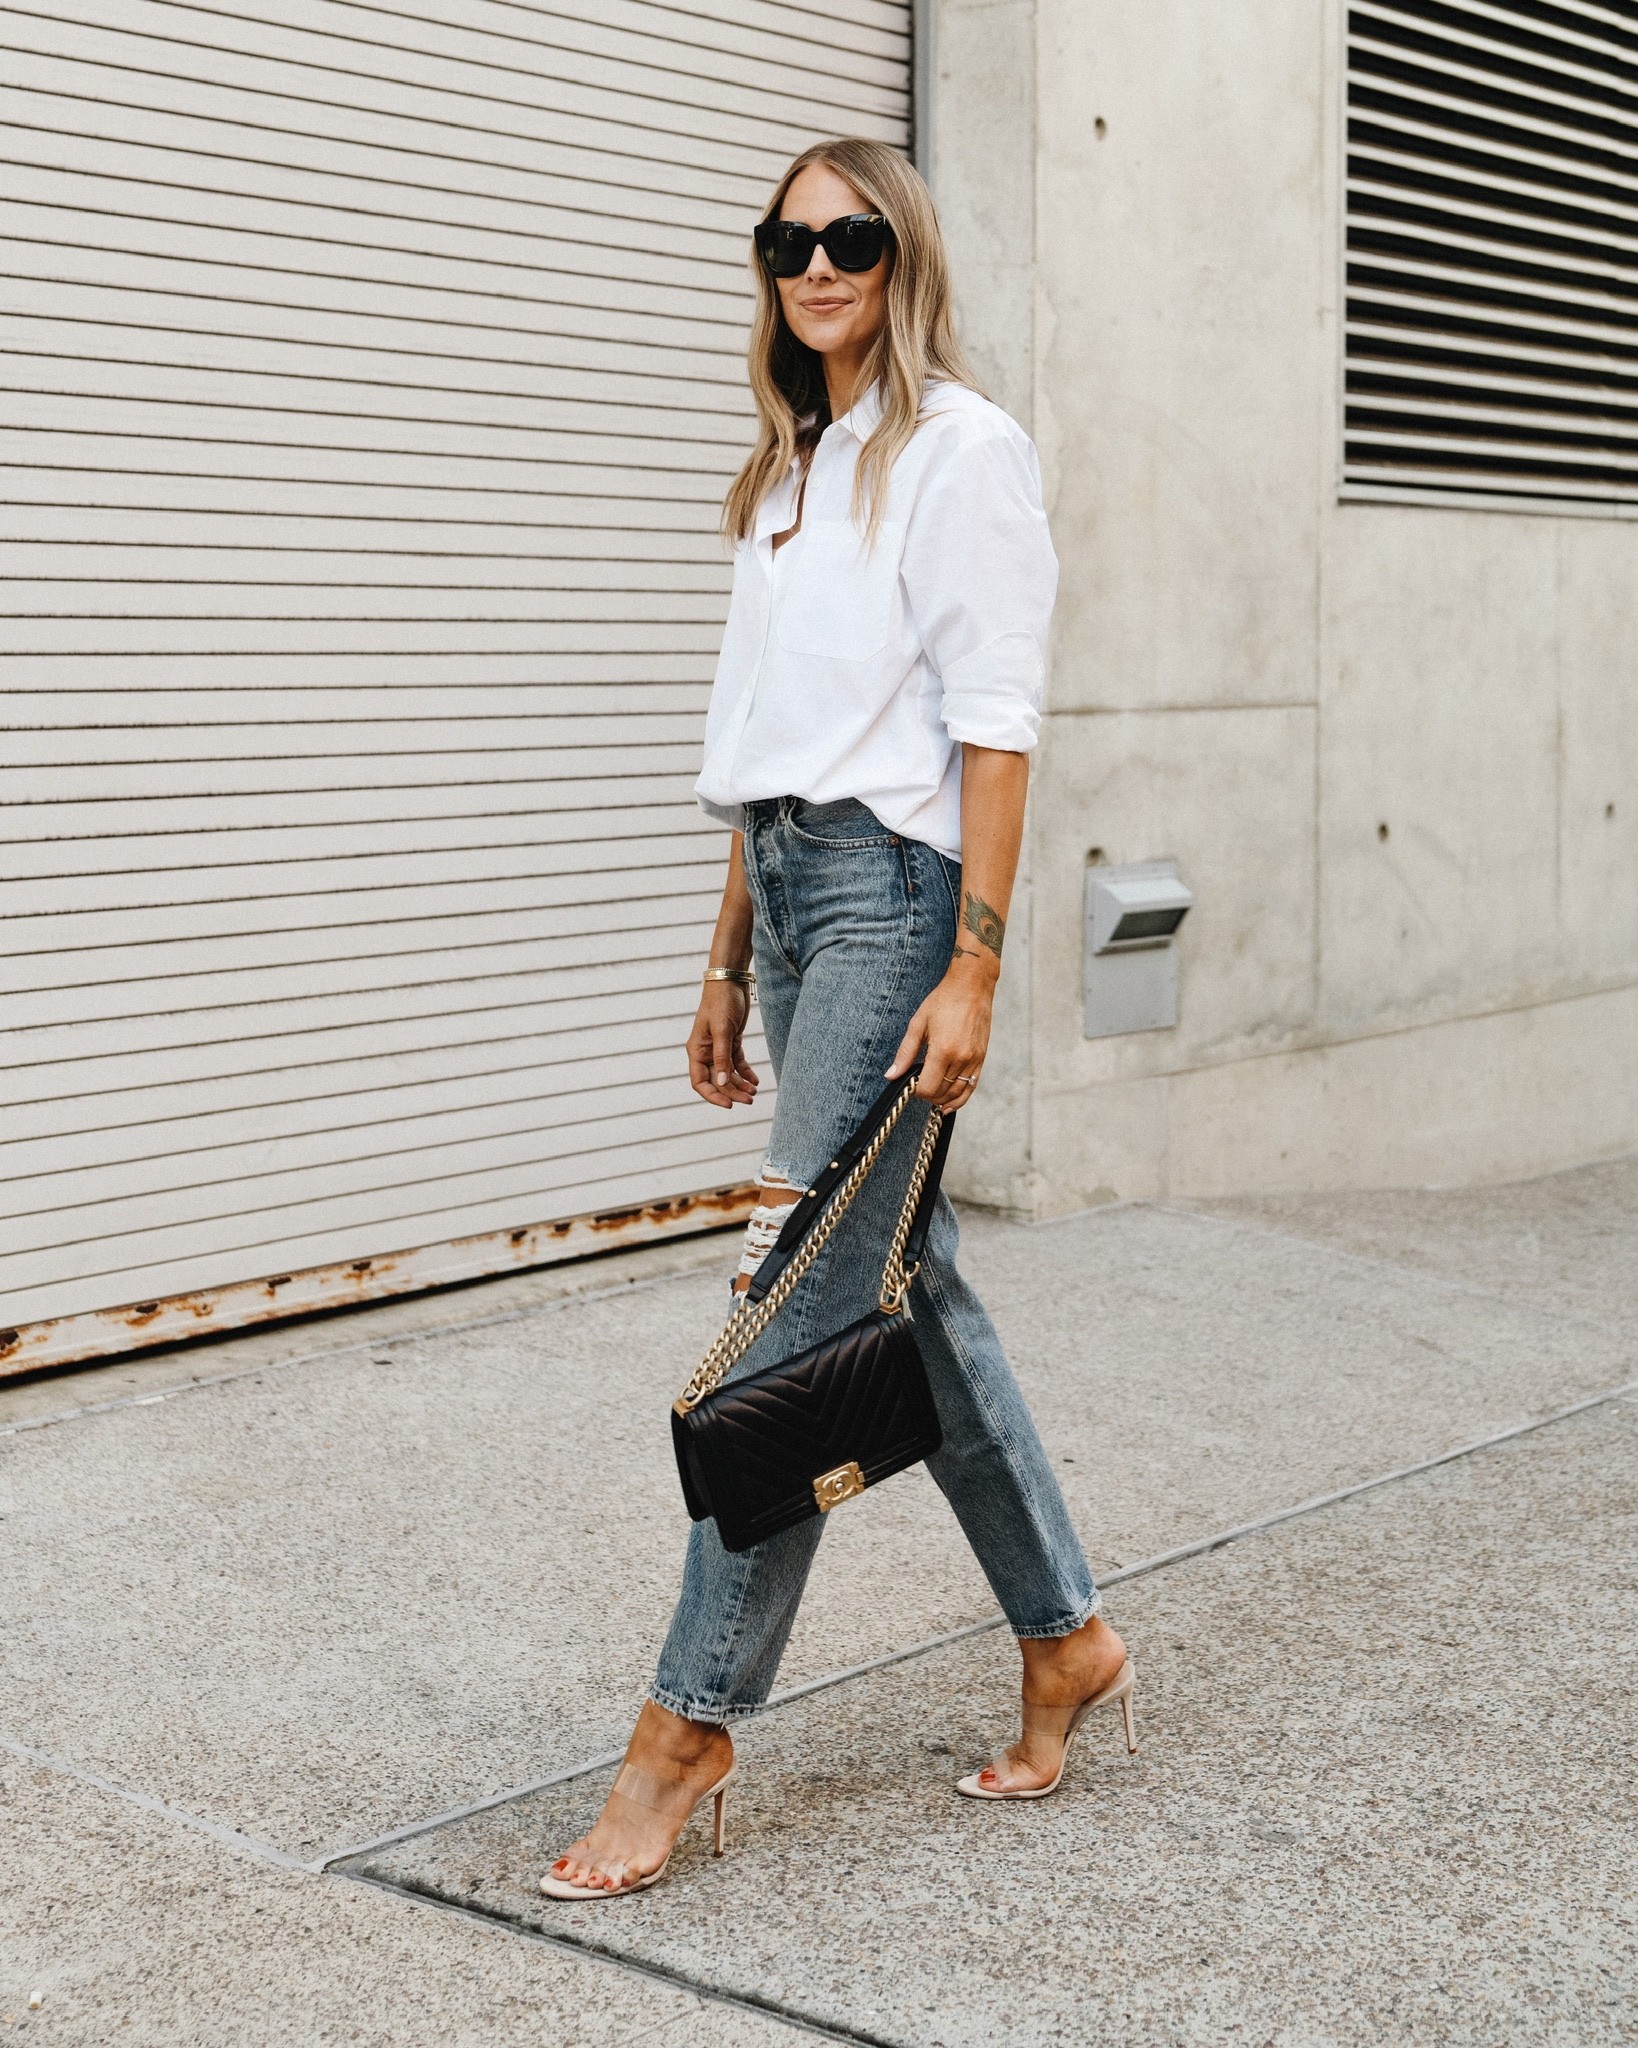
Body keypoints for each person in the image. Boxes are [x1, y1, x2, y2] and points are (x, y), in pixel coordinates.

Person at [541, 137, 1134, 1902]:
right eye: (787, 241)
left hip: (894, 899)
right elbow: (762, 752)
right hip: (797, 899)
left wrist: (978, 963)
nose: (817, 264)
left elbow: (999, 719)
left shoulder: (958, 452)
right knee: (908, 1287)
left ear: (902, 252)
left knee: (795, 1311)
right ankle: (1067, 1638)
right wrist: (727, 958)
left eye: (849, 236)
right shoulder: (788, 469)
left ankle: (686, 1730)